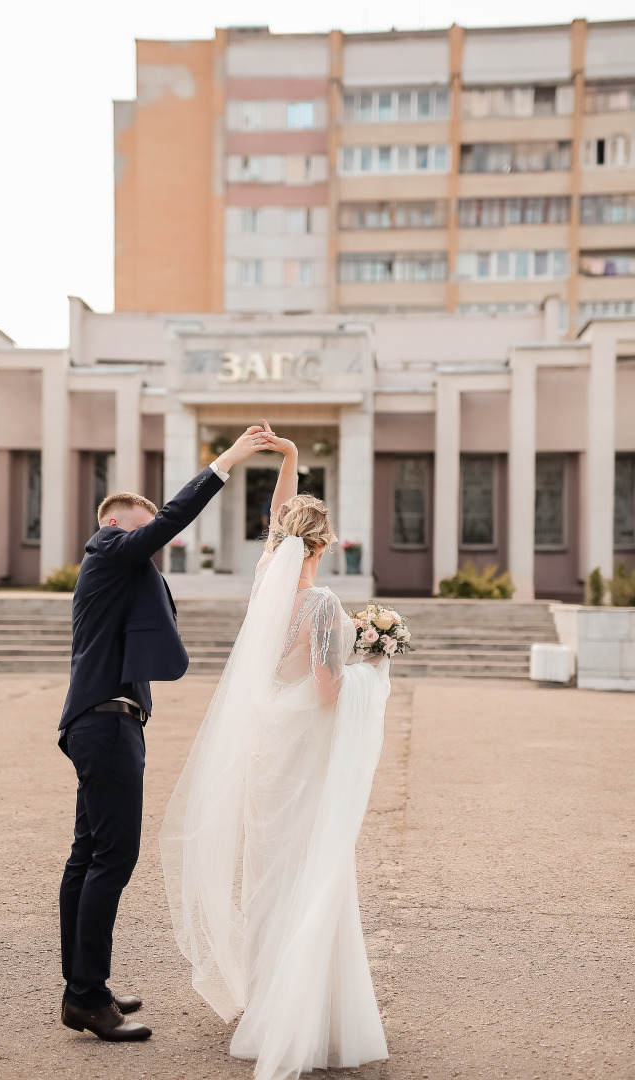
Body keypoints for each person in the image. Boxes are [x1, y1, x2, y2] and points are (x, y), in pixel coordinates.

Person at [159, 421, 391, 1080]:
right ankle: (305, 1010)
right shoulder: (319, 604)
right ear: (326, 543)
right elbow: (326, 692)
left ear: (283, 538)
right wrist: (372, 669)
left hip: (267, 748)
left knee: (266, 873)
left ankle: (268, 998)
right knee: (311, 868)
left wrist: (288, 457)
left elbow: (276, 526)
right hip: (305, 753)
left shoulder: (266, 578)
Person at [58, 425, 267, 1042]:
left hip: (99, 721)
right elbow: (170, 519)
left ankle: (82, 987)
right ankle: (87, 996)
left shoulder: (118, 571)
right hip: (104, 723)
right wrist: (227, 461)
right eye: (139, 530)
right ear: (115, 524)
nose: (149, 543)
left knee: (88, 856)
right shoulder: (107, 551)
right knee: (113, 857)